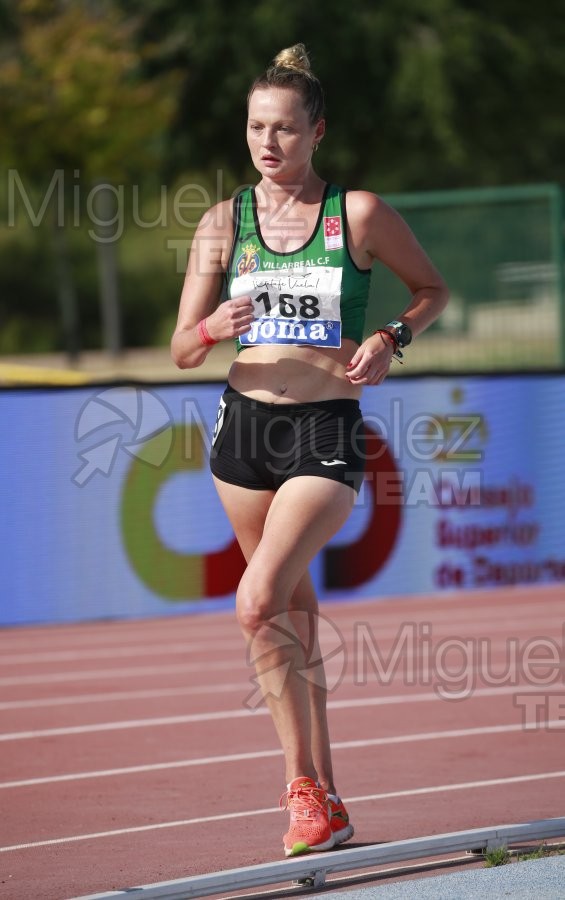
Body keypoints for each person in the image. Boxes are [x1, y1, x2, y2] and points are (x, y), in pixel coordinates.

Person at [171, 43, 449, 858]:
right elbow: (183, 348)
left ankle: (297, 794)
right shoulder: (222, 222)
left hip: (324, 430)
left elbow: (430, 291)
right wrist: (210, 327)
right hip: (242, 435)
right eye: (256, 127)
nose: (268, 143)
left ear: (316, 132)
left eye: (285, 129)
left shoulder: (356, 215)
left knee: (257, 603)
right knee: (290, 614)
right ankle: (328, 797)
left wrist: (391, 335)